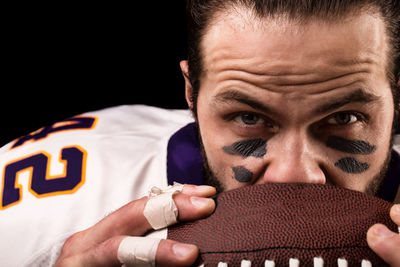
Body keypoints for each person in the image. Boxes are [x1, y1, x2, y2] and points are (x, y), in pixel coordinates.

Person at [1, 0, 399, 266]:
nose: (293, 175)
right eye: (247, 117)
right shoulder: (42, 205)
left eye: (345, 117)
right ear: (192, 93)